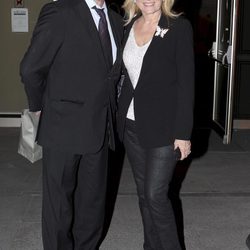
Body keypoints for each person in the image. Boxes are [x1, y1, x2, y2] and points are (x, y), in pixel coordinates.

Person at [20, 0, 123, 249]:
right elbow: (30, 69)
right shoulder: (60, 11)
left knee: (93, 207)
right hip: (62, 128)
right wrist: (39, 107)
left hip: (100, 129)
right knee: (59, 208)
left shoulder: (116, 19)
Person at [116, 0, 194, 249]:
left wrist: (183, 133)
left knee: (155, 195)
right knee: (143, 196)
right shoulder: (128, 26)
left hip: (165, 127)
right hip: (131, 124)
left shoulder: (179, 27)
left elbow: (186, 84)